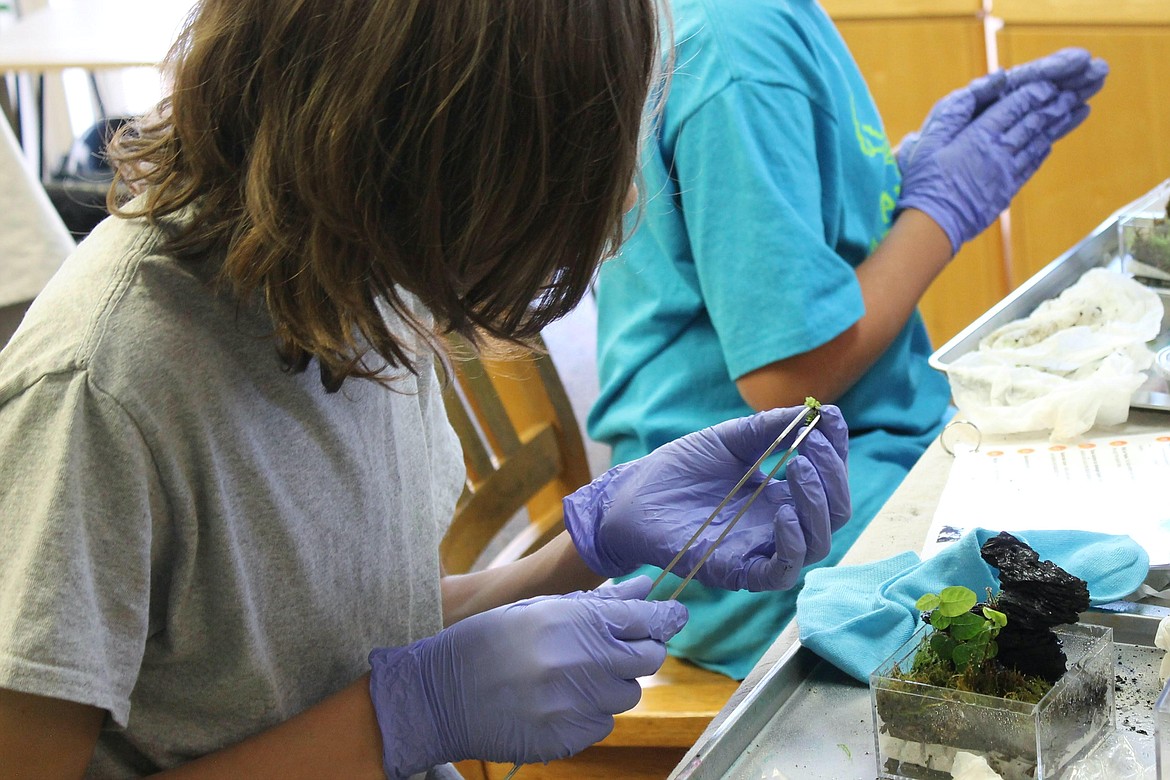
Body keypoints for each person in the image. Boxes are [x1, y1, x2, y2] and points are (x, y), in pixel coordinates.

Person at [0, 1, 851, 778]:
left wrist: (580, 551)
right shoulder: (99, 394)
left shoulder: (366, 276)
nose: (621, 198)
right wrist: (402, 717)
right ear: (406, 140)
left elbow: (324, 643)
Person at [588, 0, 1109, 680]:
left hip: (853, 456)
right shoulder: (739, 49)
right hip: (754, 528)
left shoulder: (760, 25)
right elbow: (784, 377)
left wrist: (900, 182)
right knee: (1097, 583)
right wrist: (938, 213)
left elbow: (781, 241)